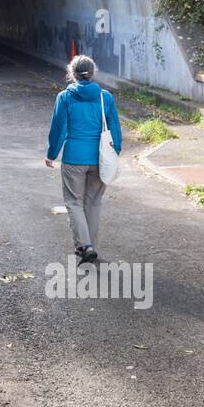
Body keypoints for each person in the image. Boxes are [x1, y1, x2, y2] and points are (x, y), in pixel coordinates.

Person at [44, 55, 122, 263]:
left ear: (73, 73)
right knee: (93, 203)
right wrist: (115, 153)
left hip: (74, 159)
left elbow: (58, 129)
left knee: (74, 202)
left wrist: (52, 154)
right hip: (99, 158)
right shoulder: (106, 97)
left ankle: (85, 246)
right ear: (93, 72)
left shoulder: (65, 97)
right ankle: (89, 247)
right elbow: (115, 130)